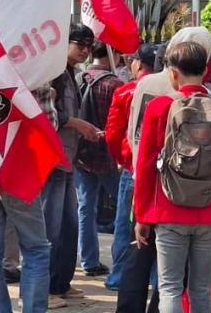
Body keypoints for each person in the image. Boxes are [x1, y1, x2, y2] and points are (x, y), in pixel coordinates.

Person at [134, 39, 211, 313]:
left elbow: (145, 164)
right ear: (207, 70)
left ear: (173, 72)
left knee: (170, 287)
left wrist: (142, 215)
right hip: (210, 211)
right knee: (201, 289)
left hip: (168, 210)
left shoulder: (159, 107)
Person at [46, 25, 100, 303]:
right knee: (51, 228)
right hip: (52, 160)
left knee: (69, 226)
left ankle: (60, 283)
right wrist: (76, 123)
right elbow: (46, 116)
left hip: (67, 158)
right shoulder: (52, 72)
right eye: (81, 44)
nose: (86, 51)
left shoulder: (70, 73)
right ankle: (44, 288)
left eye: (90, 46)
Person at [104, 43, 158, 294]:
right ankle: (156, 278)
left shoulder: (126, 92)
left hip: (132, 167)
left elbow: (113, 133)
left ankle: (119, 276)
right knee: (160, 226)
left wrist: (121, 158)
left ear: (138, 63)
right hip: (162, 169)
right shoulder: (168, 90)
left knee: (126, 225)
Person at [77, 41, 126, 277]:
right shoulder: (115, 84)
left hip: (81, 154)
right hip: (108, 154)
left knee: (85, 208)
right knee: (125, 206)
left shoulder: (78, 78)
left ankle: (88, 261)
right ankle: (124, 262)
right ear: (111, 53)